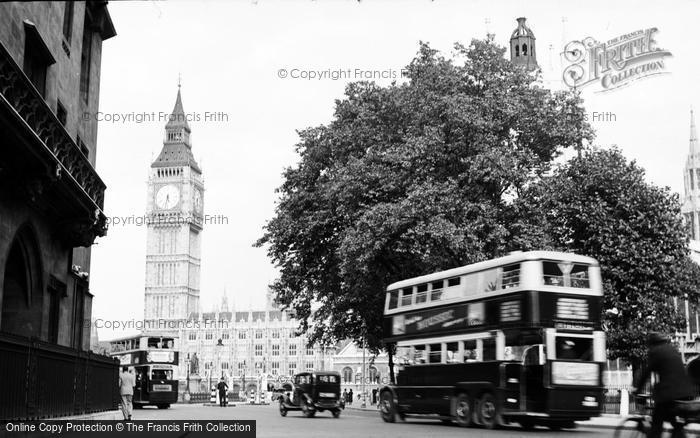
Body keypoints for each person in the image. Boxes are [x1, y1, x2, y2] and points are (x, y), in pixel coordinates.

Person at [632, 332, 694, 438]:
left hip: (670, 394)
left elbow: (647, 372)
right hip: (685, 393)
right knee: (674, 422)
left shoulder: (656, 352)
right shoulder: (672, 349)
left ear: (652, 343)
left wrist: (637, 390)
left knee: (657, 422)